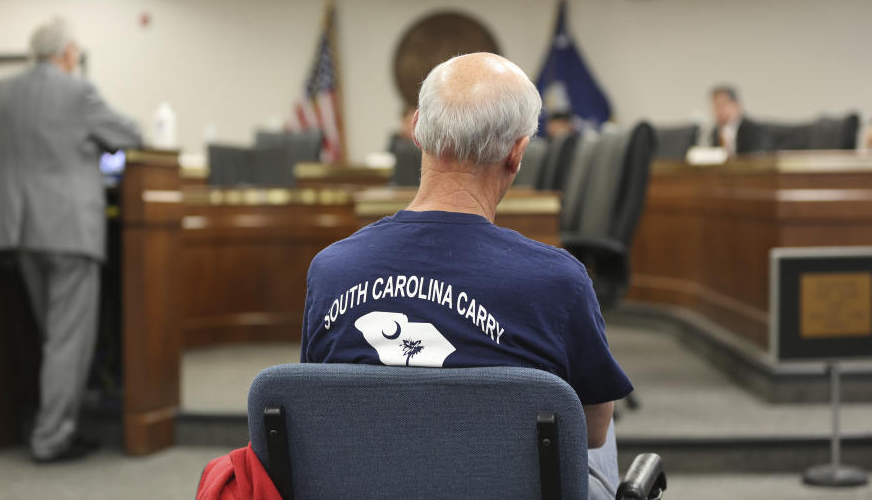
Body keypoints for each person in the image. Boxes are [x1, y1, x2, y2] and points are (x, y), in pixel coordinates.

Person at [301, 52, 632, 499]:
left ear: (417, 130)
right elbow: (592, 431)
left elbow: (314, 412)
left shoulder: (330, 270)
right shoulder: (559, 281)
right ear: (517, 152)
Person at [0, 18, 143, 463]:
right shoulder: (77, 91)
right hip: (68, 230)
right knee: (67, 339)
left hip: (15, 230)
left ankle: (47, 424)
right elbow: (131, 136)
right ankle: (51, 437)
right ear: (66, 54)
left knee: (50, 335)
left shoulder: (1, 92)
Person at [709, 85, 763, 156]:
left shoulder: (753, 130)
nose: (719, 110)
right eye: (715, 106)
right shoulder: (715, 132)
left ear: (737, 105)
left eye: (722, 104)